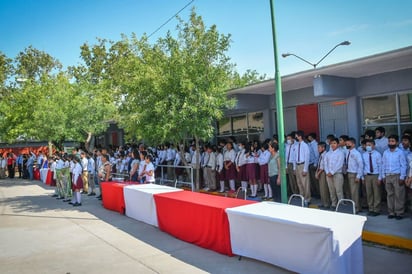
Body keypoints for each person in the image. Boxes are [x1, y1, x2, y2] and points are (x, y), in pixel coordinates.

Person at [382, 134, 407, 219]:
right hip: (388, 176)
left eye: (392, 141)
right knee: (390, 195)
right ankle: (391, 212)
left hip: (397, 176)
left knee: (399, 195)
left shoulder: (400, 152)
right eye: (389, 141)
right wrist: (383, 176)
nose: (390, 143)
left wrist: (402, 177)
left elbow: (403, 165)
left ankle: (399, 213)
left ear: (396, 142)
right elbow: (383, 165)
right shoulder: (385, 152)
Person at [362, 139, 382, 216]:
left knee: (376, 193)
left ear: (373, 146)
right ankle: (371, 209)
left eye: (369, 145)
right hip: (367, 175)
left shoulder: (377, 154)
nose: (368, 146)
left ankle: (376, 209)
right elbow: (363, 166)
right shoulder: (364, 154)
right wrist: (363, 177)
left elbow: (380, 166)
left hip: (375, 175)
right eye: (367, 145)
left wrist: (380, 177)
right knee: (369, 193)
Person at [324, 138, 345, 210]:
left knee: (339, 190)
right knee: (331, 190)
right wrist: (327, 172)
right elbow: (325, 163)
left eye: (334, 143)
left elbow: (339, 164)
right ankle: (334, 204)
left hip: (337, 174)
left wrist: (332, 172)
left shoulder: (340, 153)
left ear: (338, 144)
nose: (332, 145)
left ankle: (341, 205)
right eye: (331, 143)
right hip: (328, 174)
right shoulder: (328, 153)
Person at [345, 137, 364, 213]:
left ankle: (356, 208)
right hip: (348, 173)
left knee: (354, 193)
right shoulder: (347, 152)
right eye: (346, 144)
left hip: (354, 174)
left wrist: (358, 176)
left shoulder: (356, 153)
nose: (347, 145)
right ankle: (354, 207)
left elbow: (360, 165)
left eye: (349, 144)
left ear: (353, 144)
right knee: (350, 192)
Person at [294, 130, 311, 206]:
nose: (295, 137)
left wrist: (305, 169)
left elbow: (307, 158)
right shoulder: (296, 145)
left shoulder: (305, 145)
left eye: (296, 136)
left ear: (300, 136)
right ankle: (302, 197)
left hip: (302, 165)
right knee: (299, 183)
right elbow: (294, 157)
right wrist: (294, 167)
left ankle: (307, 199)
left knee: (305, 183)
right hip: (297, 165)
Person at [315, 142, 330, 209]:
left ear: (323, 148)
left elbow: (323, 166)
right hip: (320, 172)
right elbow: (319, 164)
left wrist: (318, 173)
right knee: (321, 189)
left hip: (323, 172)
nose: (318, 149)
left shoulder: (325, 155)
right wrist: (316, 172)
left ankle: (326, 203)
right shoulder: (321, 155)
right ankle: (323, 202)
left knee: (324, 189)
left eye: (319, 147)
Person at [307, 133, 319, 198]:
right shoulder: (310, 144)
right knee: (311, 181)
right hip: (309, 163)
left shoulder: (315, 144)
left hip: (313, 164)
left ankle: (318, 193)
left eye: (309, 137)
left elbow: (316, 155)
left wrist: (315, 164)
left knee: (315, 180)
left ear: (311, 137)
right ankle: (314, 192)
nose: (308, 138)